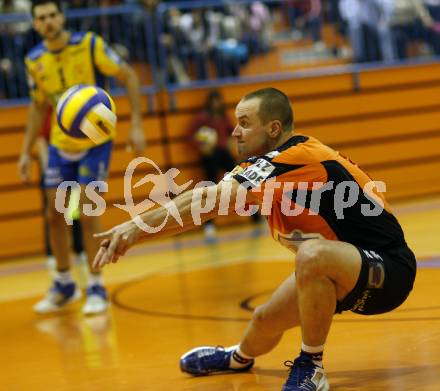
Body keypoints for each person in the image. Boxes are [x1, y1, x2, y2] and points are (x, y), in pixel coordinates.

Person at [92, 88, 416, 390]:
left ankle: (312, 366)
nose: (234, 132)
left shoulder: (300, 157)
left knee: (311, 256)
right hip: (342, 270)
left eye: (245, 123)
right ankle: (237, 357)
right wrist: (134, 228)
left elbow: (207, 203)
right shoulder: (261, 170)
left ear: (274, 128)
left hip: (388, 271)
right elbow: (203, 203)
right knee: (264, 319)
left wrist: (135, 229)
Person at [18, 0, 145, 315]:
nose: (47, 22)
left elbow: (128, 75)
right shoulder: (34, 60)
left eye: (51, 15)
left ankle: (96, 284)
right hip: (60, 145)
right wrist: (25, 150)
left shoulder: (90, 45)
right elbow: (37, 107)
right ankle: (63, 283)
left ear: (62, 17)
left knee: (88, 214)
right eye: (41, 18)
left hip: (95, 141)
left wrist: (137, 124)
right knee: (55, 213)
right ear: (35, 24)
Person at [188, 90, 236, 240]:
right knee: (211, 189)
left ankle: (255, 216)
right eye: (215, 100)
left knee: (240, 181)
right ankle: (208, 224)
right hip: (210, 155)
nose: (217, 103)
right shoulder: (203, 118)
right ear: (210, 102)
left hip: (224, 153)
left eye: (219, 100)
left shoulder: (223, 116)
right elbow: (190, 135)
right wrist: (201, 146)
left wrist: (230, 143)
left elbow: (232, 132)